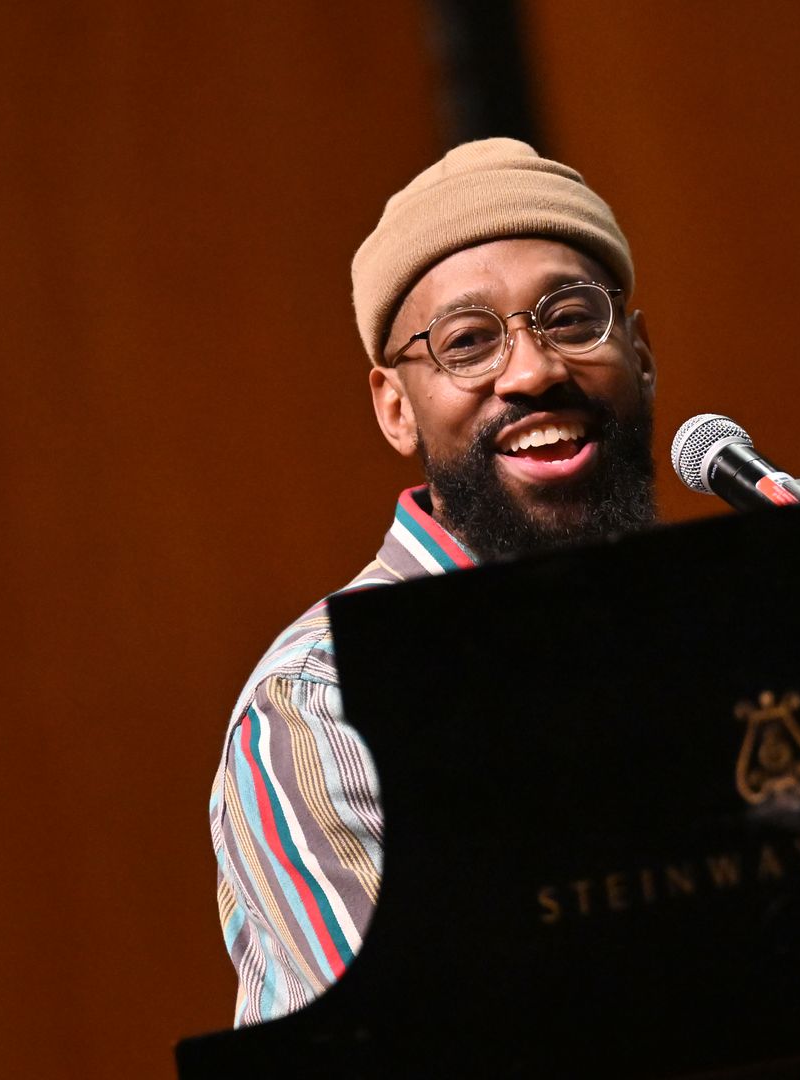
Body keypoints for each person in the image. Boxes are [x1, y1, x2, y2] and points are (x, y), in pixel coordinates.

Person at [208, 138, 659, 1024]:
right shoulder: (321, 703)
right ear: (394, 406)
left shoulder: (721, 629)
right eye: (467, 343)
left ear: (640, 355)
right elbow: (427, 1043)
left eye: (571, 318)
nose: (533, 372)